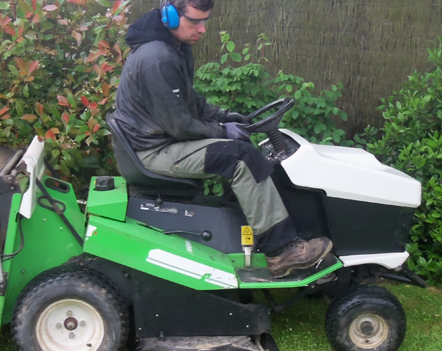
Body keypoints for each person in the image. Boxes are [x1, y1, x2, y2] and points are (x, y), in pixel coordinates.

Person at [109, 0, 333, 278]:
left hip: (160, 142)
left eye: (205, 21)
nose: (202, 29)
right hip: (153, 152)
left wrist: (226, 117)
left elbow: (191, 102)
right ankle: (280, 252)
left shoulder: (174, 48)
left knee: (241, 150)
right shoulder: (156, 58)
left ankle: (249, 233)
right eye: (194, 21)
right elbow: (180, 125)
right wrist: (223, 131)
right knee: (241, 158)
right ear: (169, 16)